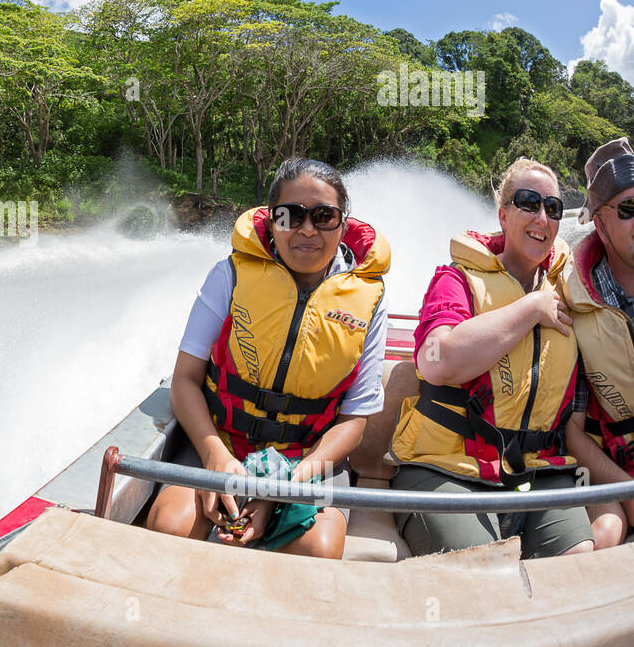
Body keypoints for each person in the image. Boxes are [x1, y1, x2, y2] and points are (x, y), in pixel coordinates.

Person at [146, 158, 390, 559]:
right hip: (220, 440)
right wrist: (216, 459)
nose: (307, 229)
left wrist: (286, 486)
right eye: (290, 215)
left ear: (343, 225)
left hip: (311, 456)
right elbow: (186, 380)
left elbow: (354, 419)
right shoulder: (229, 275)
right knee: (170, 529)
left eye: (324, 216)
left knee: (318, 550)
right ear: (271, 220)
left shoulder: (371, 299)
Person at [389, 157, 594, 558]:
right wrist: (532, 308)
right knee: (482, 569)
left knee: (578, 560)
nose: (542, 217)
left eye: (552, 208)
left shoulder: (570, 285)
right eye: (528, 202)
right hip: (445, 465)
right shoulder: (455, 280)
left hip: (536, 468)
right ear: (502, 214)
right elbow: (437, 361)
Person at [562, 138, 634, 547]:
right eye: (628, 210)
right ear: (600, 223)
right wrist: (626, 490)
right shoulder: (571, 302)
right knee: (606, 534)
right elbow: (573, 433)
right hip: (607, 466)